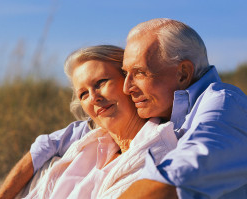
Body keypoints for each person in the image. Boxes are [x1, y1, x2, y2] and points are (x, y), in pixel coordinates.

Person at [118, 18, 247, 198]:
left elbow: (167, 186)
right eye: (126, 73)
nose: (127, 88)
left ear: (183, 73)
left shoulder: (225, 105)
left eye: (140, 73)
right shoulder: (161, 116)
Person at [20, 45, 178, 199]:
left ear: (130, 82)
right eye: (83, 94)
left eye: (101, 82)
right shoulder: (87, 146)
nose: (94, 98)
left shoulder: (158, 154)